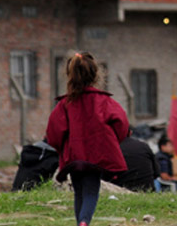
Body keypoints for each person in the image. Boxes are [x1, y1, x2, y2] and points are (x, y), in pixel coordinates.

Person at [46, 52, 129, 226]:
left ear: (70, 75)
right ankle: (84, 223)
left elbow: (53, 133)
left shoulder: (64, 104)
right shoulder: (104, 101)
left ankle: (80, 223)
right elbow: (122, 124)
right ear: (95, 74)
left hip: (74, 157)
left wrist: (62, 147)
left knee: (79, 192)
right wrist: (112, 142)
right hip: (96, 155)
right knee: (91, 191)